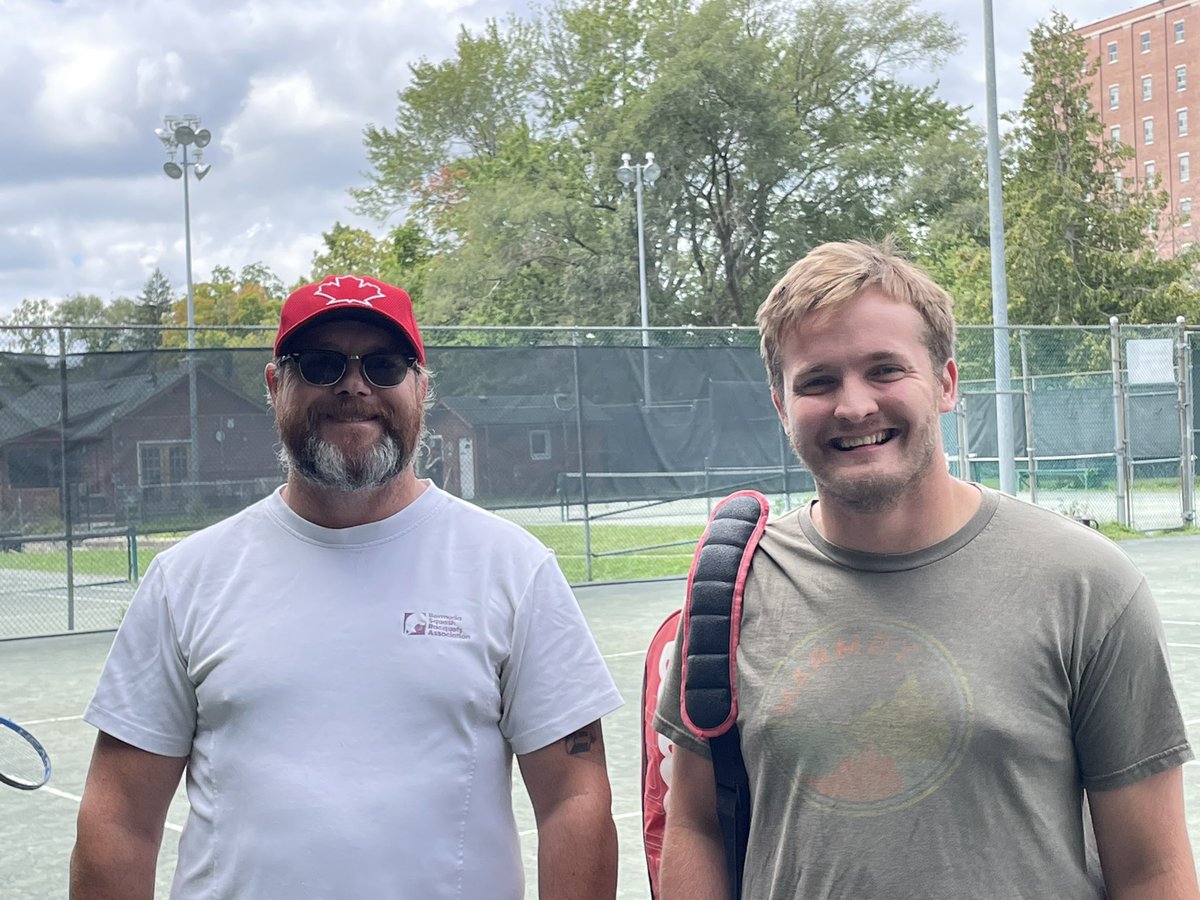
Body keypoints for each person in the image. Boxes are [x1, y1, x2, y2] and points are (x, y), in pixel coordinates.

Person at [653, 240, 1197, 898]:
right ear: (780, 404)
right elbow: (697, 824)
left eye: (884, 370)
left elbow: (1151, 869)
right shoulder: (732, 588)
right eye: (818, 381)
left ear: (945, 382)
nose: (854, 406)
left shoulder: (1086, 584)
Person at [71, 274, 623, 900]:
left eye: (385, 365)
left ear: (421, 387)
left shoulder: (514, 569)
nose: (354, 386)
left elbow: (573, 799)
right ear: (276, 384)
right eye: (321, 363)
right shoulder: (188, 578)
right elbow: (119, 816)